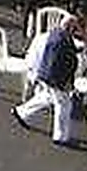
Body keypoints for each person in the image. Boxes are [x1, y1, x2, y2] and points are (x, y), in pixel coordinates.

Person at [14, 14, 80, 146]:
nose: (76, 30)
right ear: (69, 27)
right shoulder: (63, 41)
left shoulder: (54, 35)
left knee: (47, 97)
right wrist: (66, 83)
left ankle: (22, 112)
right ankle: (60, 137)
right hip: (57, 79)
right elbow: (63, 64)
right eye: (75, 27)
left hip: (46, 76)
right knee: (64, 106)